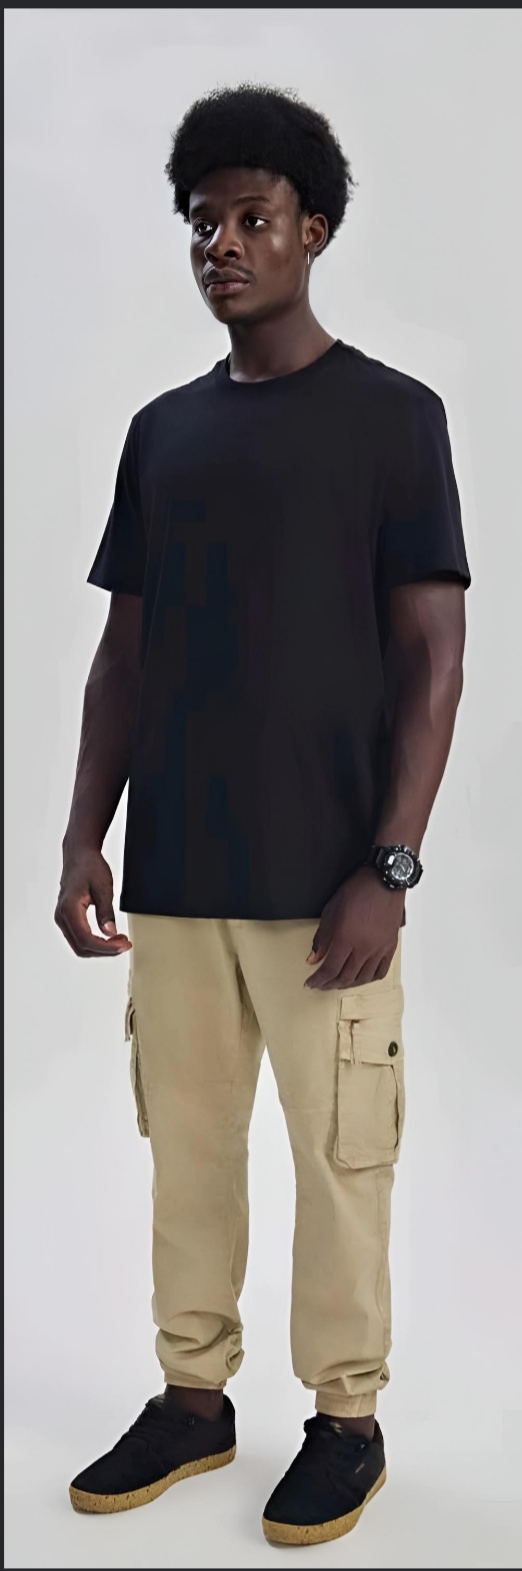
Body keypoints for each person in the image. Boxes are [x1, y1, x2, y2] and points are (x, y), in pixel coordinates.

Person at [55, 82, 471, 1547]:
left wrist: (390, 865)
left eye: (251, 219)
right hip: (176, 876)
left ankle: (345, 1420)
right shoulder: (162, 432)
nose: (221, 245)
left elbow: (433, 655)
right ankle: (194, 1399)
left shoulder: (392, 419)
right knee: (187, 1153)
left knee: (341, 1162)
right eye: (202, 222)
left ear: (314, 231)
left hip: (327, 885)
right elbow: (126, 652)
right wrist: (83, 835)